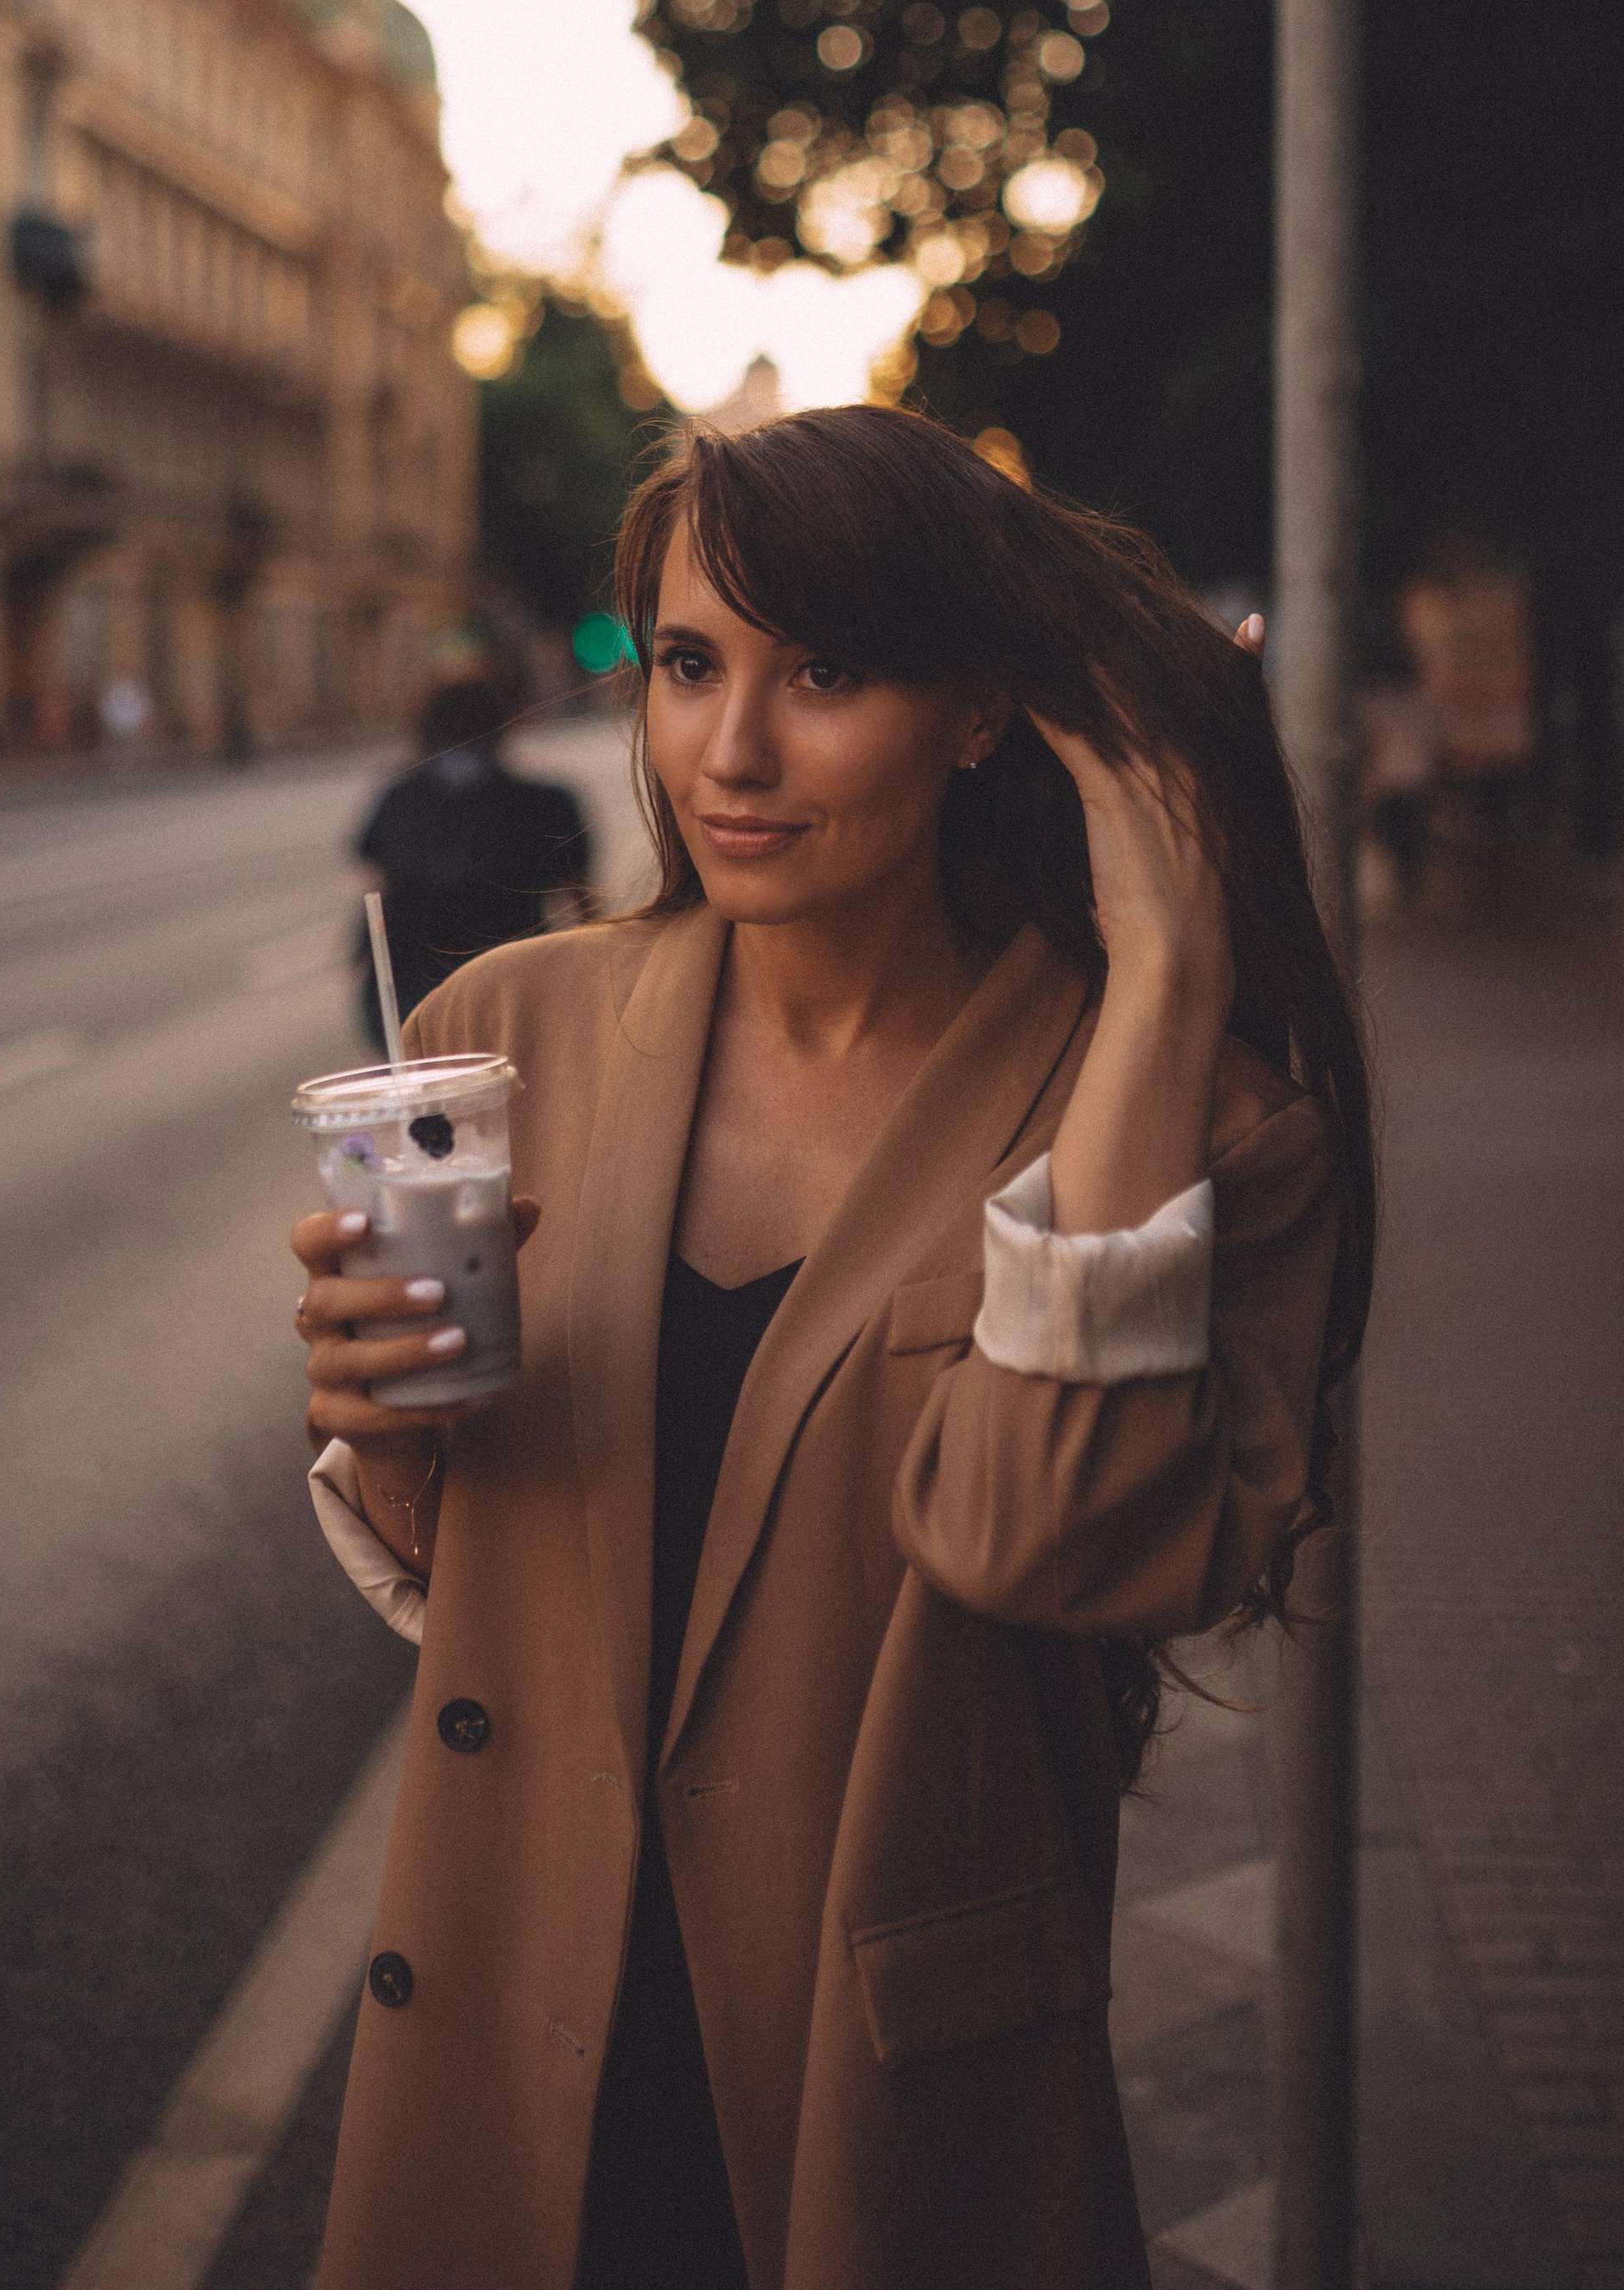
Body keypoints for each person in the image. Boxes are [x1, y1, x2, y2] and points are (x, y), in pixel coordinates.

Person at [291, 405, 1373, 2290]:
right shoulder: (501, 1035)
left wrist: (1159, 982)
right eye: (687, 664)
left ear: (977, 712)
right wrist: (377, 1415)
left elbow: (1060, 1544)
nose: (731, 751)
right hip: (500, 2042)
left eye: (826, 674)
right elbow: (471, 1562)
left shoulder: (1203, 1126)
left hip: (887, 2102)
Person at [352, 670, 593, 1047]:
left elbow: (378, 881)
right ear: (502, 728)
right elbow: (581, 900)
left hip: (413, 994)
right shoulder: (545, 804)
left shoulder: (399, 800)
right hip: (513, 991)